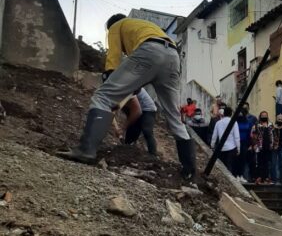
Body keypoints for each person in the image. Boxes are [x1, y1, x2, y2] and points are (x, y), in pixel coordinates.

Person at [57, 14, 197, 180]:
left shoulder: (117, 26)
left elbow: (113, 58)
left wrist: (109, 76)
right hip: (173, 56)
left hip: (150, 51)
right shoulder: (144, 26)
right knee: (174, 116)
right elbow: (136, 84)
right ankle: (189, 172)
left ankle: (85, 150)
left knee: (102, 96)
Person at [123, 88, 158, 155]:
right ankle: (128, 151)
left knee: (147, 131)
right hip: (134, 109)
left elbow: (137, 112)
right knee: (131, 133)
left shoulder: (128, 87)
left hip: (148, 110)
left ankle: (153, 155)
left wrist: (123, 128)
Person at [210, 107, 240, 174]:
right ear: (231, 113)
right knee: (230, 165)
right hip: (232, 147)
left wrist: (212, 146)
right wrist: (238, 148)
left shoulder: (218, 123)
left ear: (223, 113)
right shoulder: (234, 122)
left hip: (221, 148)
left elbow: (214, 136)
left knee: (222, 167)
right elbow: (237, 137)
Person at [251, 111, 273, 184]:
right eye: (262, 115)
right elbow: (253, 135)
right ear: (260, 116)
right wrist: (254, 144)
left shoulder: (270, 125)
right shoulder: (256, 125)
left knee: (267, 163)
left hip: (268, 146)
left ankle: (266, 178)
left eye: (265, 115)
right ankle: (259, 178)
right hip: (259, 146)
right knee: (259, 163)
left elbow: (273, 135)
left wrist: (272, 144)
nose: (264, 116)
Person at [234, 108, 252, 183]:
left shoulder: (247, 122)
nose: (240, 114)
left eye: (242, 113)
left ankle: (241, 175)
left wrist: (250, 144)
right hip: (236, 143)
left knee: (243, 160)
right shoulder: (235, 122)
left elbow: (249, 134)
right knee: (236, 159)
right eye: (239, 113)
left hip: (245, 143)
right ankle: (236, 175)